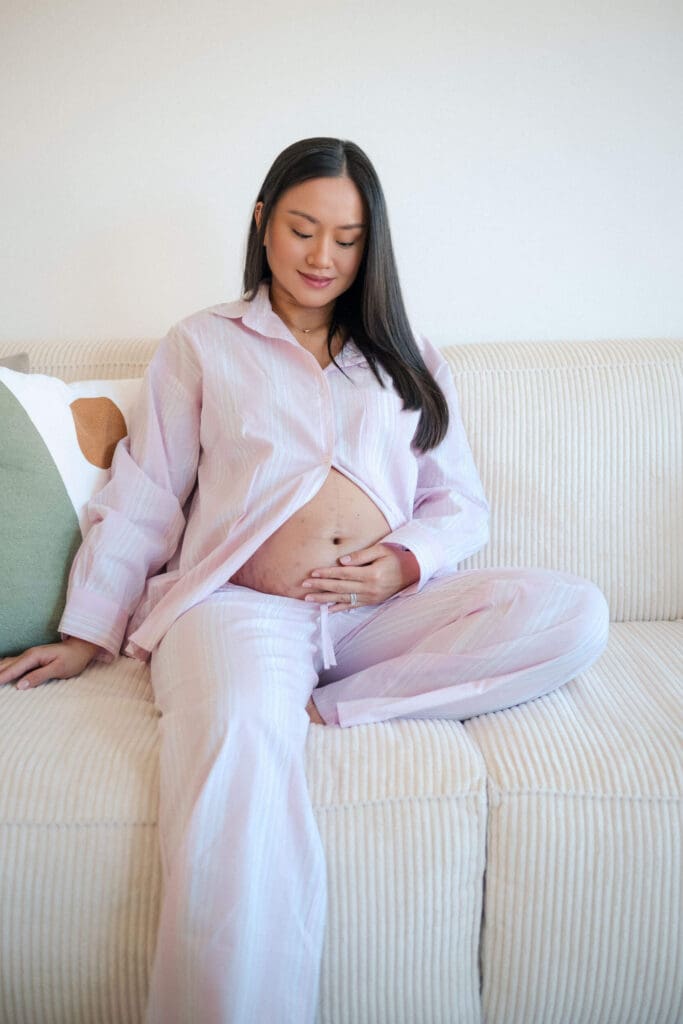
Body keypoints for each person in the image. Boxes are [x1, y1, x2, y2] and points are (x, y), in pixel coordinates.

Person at [0, 137, 609, 1023]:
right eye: (302, 228)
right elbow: (144, 496)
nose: (322, 257)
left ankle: (336, 705)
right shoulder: (202, 344)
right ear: (262, 223)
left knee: (572, 614)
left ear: (372, 247)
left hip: (374, 619)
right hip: (238, 609)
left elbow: (461, 504)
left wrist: (401, 560)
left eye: (348, 238)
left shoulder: (407, 356)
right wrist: (85, 630)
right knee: (239, 747)